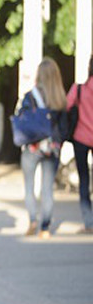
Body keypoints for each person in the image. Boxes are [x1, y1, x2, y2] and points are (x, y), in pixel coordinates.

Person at [17, 58, 68, 238]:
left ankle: (33, 220)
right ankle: (45, 228)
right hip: (52, 148)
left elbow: (21, 118)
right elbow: (65, 128)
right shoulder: (60, 98)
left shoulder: (30, 96)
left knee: (30, 187)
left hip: (32, 147)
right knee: (47, 189)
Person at [67, 55, 93, 234]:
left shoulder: (79, 89)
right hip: (82, 138)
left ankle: (88, 222)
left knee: (84, 179)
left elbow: (66, 106)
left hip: (81, 138)